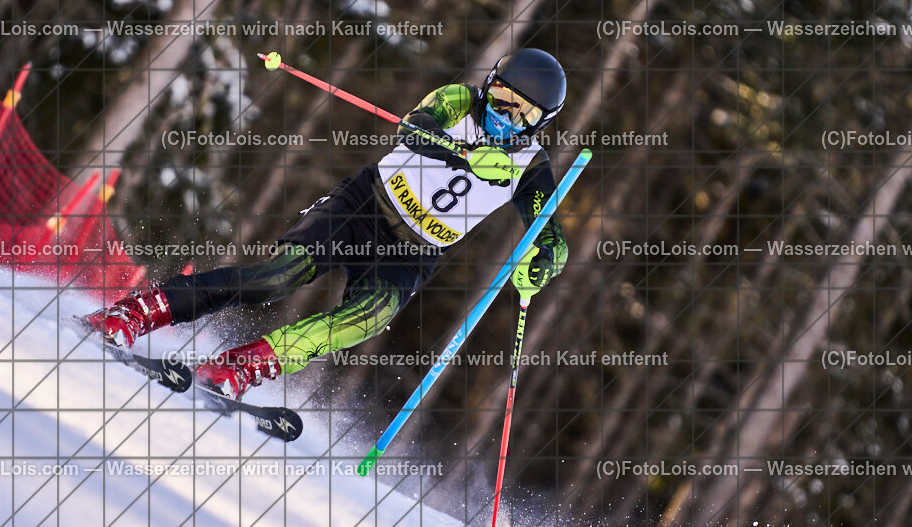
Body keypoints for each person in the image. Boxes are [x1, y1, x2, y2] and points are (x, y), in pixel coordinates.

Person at [86, 48, 570, 400]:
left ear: (540, 122)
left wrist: (542, 261)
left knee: (368, 318)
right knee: (276, 277)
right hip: (365, 206)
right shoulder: (459, 101)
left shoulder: (530, 166)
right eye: (502, 97)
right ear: (488, 86)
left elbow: (549, 233)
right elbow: (414, 128)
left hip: (415, 252)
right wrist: (465, 152)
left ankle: (241, 365)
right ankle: (140, 312)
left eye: (522, 111)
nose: (506, 115)